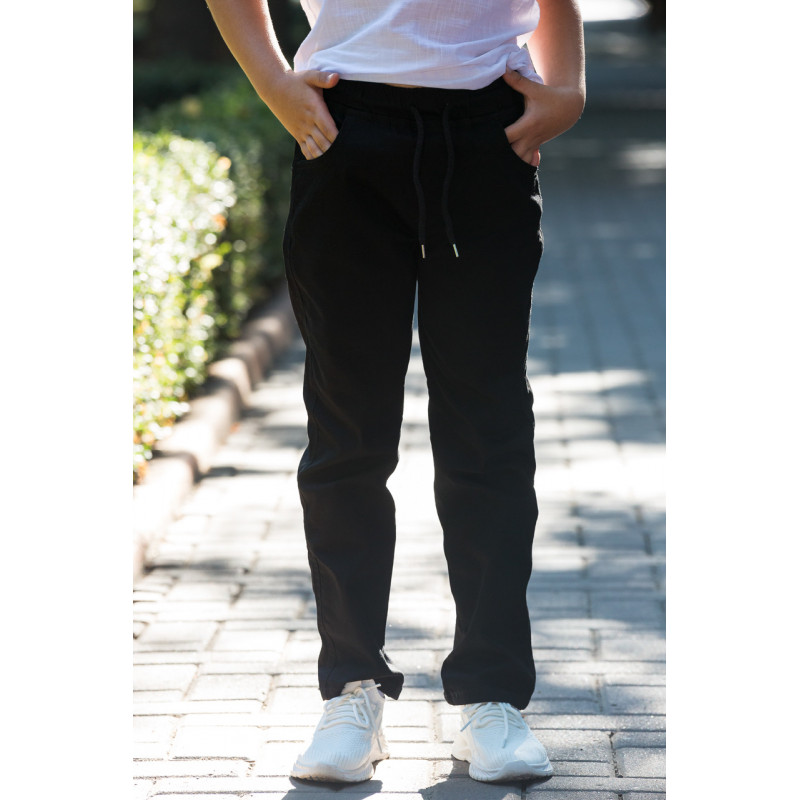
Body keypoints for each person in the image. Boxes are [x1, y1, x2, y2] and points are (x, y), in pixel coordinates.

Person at [207, 0, 585, 785]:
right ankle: (352, 690)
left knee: (489, 433)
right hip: (344, 131)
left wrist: (570, 87)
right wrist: (274, 82)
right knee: (347, 434)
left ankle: (491, 697)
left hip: (488, 135)